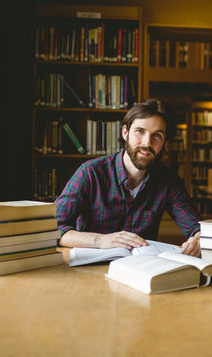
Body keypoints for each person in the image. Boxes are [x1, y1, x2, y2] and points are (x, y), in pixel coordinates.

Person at [55, 99, 202, 256]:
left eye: (157, 135)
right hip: (91, 270)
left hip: (141, 272)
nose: (147, 142)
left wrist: (198, 239)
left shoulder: (168, 181)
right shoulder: (90, 173)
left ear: (165, 143)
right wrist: (101, 240)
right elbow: (52, 228)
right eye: (140, 131)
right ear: (125, 132)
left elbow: (196, 228)